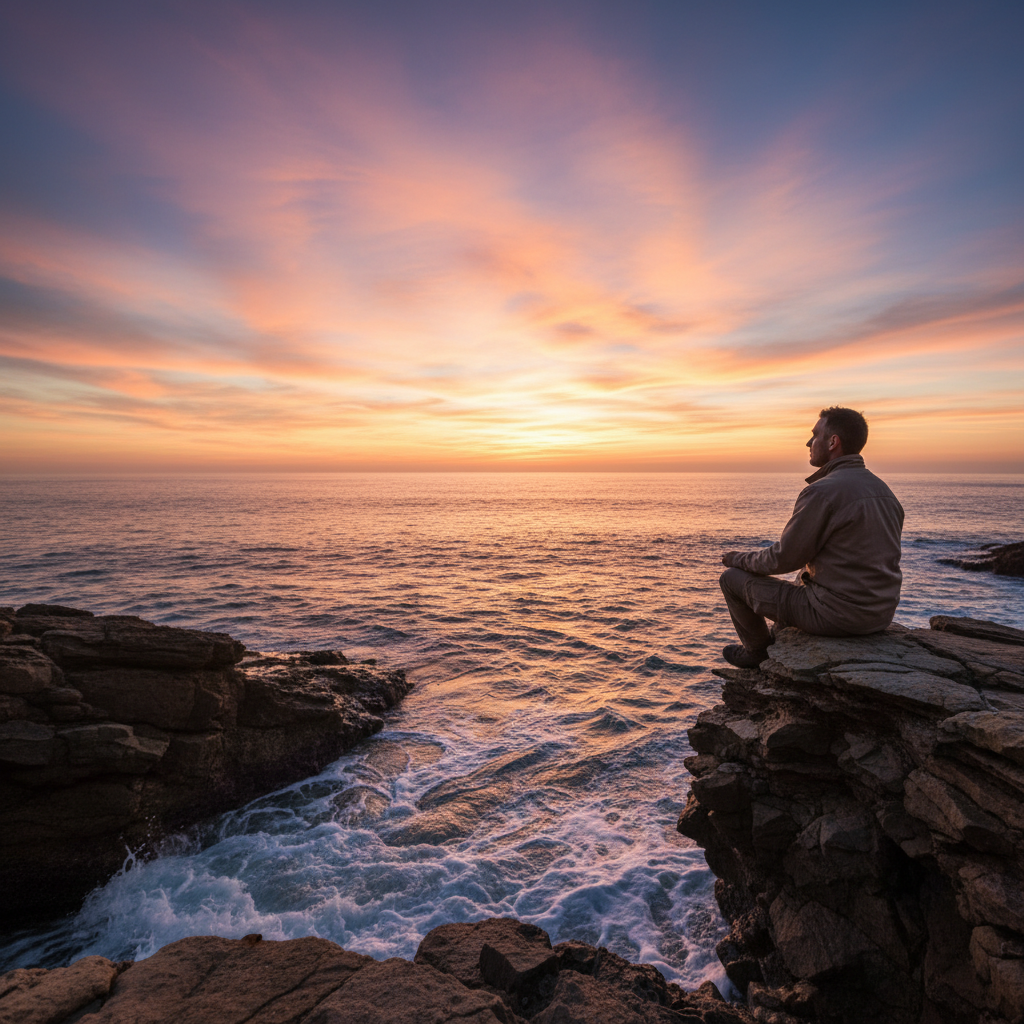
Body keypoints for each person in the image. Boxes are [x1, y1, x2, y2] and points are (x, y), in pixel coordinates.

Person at [719, 407, 904, 668]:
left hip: (837, 617)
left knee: (731, 580)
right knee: (801, 579)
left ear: (833, 442)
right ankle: (779, 636)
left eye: (815, 435)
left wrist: (738, 559)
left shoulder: (822, 491)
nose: (808, 442)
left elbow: (784, 558)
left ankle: (757, 652)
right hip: (879, 614)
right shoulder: (883, 490)